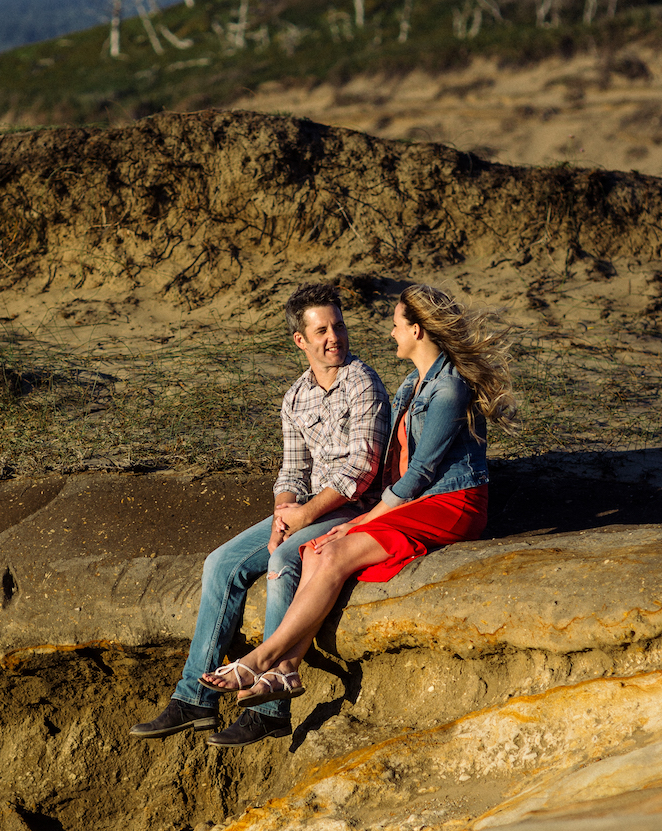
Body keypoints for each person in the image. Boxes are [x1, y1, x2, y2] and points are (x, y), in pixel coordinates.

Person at [198, 284, 513, 713]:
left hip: (451, 502)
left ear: (417, 331)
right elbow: (307, 467)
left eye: (397, 324)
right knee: (314, 551)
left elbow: (419, 474)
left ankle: (263, 658)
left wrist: (357, 522)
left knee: (331, 552)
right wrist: (290, 514)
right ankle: (287, 669)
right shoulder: (411, 383)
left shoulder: (449, 388)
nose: (390, 333)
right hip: (412, 501)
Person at [130, 282, 391, 748]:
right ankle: (194, 699)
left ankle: (270, 707)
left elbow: (364, 469)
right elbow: (292, 469)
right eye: (322, 331)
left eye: (339, 326)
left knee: (282, 560)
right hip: (308, 508)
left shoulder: (363, 383)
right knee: (221, 564)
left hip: (356, 508)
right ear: (301, 341)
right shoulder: (294, 398)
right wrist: (280, 516)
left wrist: (303, 518)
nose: (335, 337)